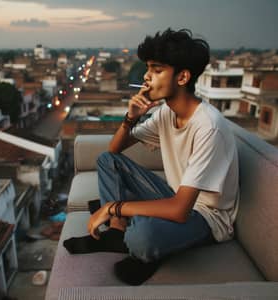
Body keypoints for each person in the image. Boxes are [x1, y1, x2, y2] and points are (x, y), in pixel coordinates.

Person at [64, 28, 239, 286]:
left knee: (143, 237)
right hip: (174, 196)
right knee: (106, 160)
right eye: (147, 68)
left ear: (182, 77)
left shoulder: (208, 127)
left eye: (157, 70)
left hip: (207, 218)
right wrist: (131, 117)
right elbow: (113, 153)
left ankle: (140, 240)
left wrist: (113, 206)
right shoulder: (166, 114)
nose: (146, 77)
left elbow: (180, 211)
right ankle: (117, 231)